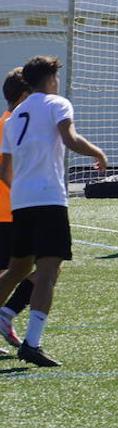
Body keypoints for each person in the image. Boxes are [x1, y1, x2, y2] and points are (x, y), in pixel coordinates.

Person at [0, 56, 107, 366]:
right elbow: (69, 138)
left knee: (18, 269)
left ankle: (9, 319)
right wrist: (98, 152)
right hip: (48, 198)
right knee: (48, 271)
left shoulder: (16, 113)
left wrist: (20, 187)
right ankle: (32, 343)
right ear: (50, 79)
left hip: (21, 201)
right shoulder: (57, 103)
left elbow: (5, 166)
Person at [0, 68, 35, 351]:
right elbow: (6, 171)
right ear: (24, 96)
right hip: (11, 213)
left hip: (11, 212)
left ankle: (6, 314)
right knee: (46, 269)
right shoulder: (13, 124)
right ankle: (6, 314)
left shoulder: (7, 122)